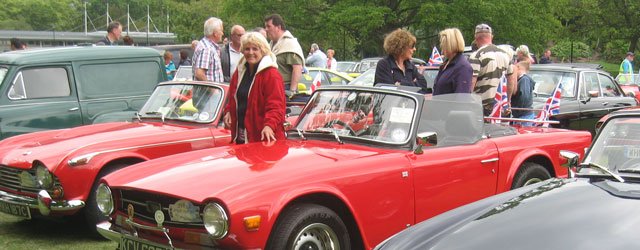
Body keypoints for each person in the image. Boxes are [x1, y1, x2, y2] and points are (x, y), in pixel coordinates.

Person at [223, 32, 286, 144]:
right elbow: (233, 96)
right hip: (241, 134)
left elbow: (276, 106)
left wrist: (269, 125)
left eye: (255, 49)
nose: (251, 52)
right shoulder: (240, 71)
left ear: (263, 50)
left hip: (263, 136)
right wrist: (228, 110)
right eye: (247, 49)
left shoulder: (271, 74)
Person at [469, 23, 515, 116]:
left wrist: (466, 101)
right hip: (500, 106)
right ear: (491, 36)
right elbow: (511, 81)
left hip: (481, 107)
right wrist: (508, 101)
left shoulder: (476, 55)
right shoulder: (506, 55)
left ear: (476, 37)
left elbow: (472, 82)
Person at [374, 29, 429, 94]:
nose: (415, 49)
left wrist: (401, 84)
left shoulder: (410, 66)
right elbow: (389, 91)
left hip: (410, 104)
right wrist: (413, 84)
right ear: (402, 47)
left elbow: (423, 86)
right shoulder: (384, 64)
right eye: (412, 46)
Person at [264, 14, 305, 97]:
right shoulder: (271, 44)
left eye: (269, 26)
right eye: (265, 27)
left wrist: (292, 91)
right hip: (271, 87)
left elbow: (297, 68)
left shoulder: (289, 43)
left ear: (278, 27)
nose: (266, 29)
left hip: (285, 88)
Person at [433, 28, 473, 95]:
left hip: (450, 105)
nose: (441, 46)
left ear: (450, 44)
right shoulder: (446, 64)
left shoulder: (463, 67)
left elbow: (461, 98)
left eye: (443, 43)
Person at [192, 17, 225, 82]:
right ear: (215, 33)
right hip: (207, 92)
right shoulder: (207, 49)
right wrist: (213, 90)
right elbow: (199, 74)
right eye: (221, 31)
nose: (222, 33)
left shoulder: (206, 45)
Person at [511, 61, 536, 125]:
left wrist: (518, 110)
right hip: (522, 115)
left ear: (518, 68)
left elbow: (524, 96)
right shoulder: (523, 80)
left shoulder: (524, 80)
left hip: (524, 115)